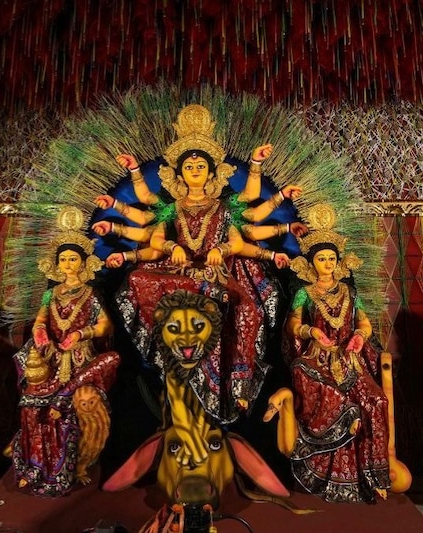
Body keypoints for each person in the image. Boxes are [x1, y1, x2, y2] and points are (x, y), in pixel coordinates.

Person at [102, 104, 304, 427]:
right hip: (177, 275)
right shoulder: (171, 208)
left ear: (212, 173)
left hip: (218, 275)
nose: (195, 169)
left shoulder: (224, 208)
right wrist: (170, 245)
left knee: (249, 310)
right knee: (138, 279)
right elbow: (151, 234)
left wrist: (223, 248)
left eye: (201, 165)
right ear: (178, 174)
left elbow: (242, 236)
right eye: (189, 165)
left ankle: (238, 384)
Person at [274, 203, 391, 503]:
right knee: (308, 376)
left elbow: (363, 321)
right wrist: (311, 333)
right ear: (312, 263)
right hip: (317, 358)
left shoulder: (350, 293)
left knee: (376, 400)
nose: (327, 263)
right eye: (321, 258)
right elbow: (293, 325)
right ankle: (331, 468)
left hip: (350, 358)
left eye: (331, 258)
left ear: (338, 262)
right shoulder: (305, 293)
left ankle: (374, 477)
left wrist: (360, 337)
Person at [9, 206, 121, 496]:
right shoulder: (51, 293)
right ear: (56, 264)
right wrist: (41, 334)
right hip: (49, 358)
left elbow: (105, 325)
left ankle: (68, 469)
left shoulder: (90, 293)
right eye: (64, 259)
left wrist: (81, 333)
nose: (69, 264)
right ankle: (33, 466)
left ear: (83, 263)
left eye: (74, 259)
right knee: (33, 408)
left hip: (79, 360)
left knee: (67, 413)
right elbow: (41, 320)